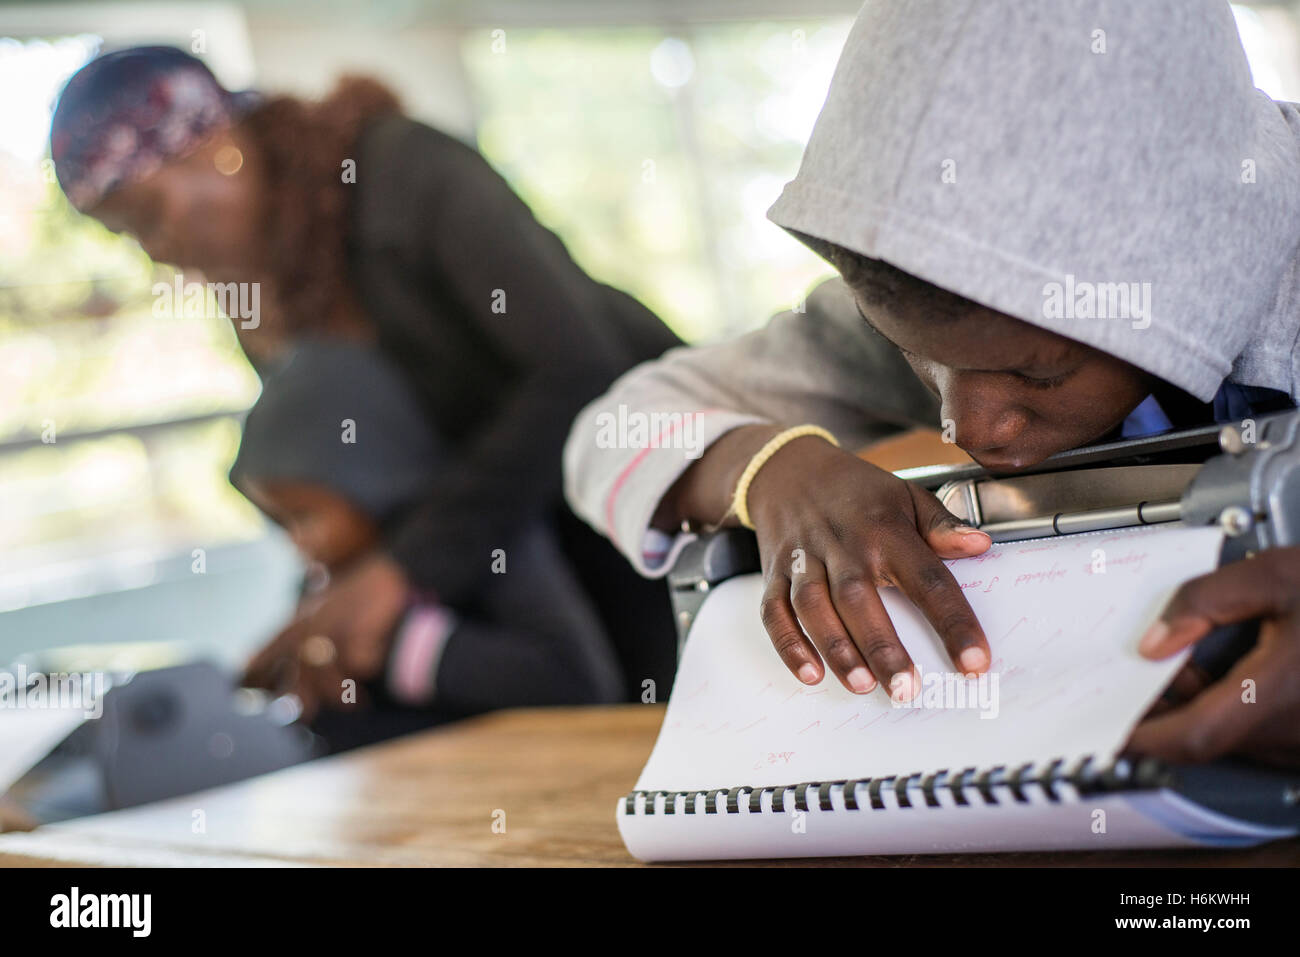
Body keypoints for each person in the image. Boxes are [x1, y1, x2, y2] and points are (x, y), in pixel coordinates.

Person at [564, 0, 1300, 766]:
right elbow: (609, 430)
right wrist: (768, 470)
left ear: (1194, 281)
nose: (971, 428)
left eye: (1036, 372)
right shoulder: (938, 306)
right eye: (916, 355)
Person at [49, 47, 683, 707]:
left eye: (148, 215)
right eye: (127, 237)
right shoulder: (257, 297)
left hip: (649, 499)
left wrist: (404, 570)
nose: (156, 251)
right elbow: (350, 473)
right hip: (512, 545)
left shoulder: (407, 172)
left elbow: (579, 372)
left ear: (214, 148)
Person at [232, 340, 622, 751]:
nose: (298, 542)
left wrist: (397, 644)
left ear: (372, 473)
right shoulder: (326, 582)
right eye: (280, 522)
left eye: (305, 517)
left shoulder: (486, 547)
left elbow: (577, 682)